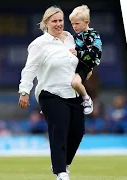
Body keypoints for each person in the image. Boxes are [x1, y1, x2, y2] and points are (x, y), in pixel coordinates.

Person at [18, 6, 90, 180]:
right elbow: (30, 69)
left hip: (73, 93)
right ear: (46, 23)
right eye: (54, 21)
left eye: (60, 20)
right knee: (59, 129)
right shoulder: (39, 44)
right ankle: (61, 172)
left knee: (78, 131)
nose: (58, 24)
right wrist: (24, 91)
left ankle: (62, 164)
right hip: (50, 92)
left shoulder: (71, 38)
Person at [69, 5, 102, 115]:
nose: (74, 26)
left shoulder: (94, 36)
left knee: (75, 83)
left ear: (86, 22)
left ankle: (87, 100)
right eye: (72, 24)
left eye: (77, 24)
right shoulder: (75, 37)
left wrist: (79, 53)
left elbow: (95, 54)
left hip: (85, 66)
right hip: (72, 66)